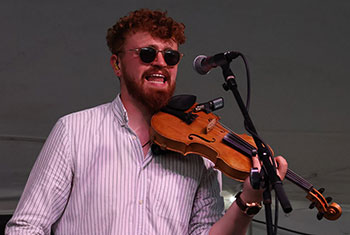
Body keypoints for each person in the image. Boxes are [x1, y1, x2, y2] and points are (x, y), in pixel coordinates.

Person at [6, 9, 287, 235]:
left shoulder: (200, 151)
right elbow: (27, 226)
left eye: (171, 56)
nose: (161, 63)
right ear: (117, 64)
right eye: (147, 54)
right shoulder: (73, 131)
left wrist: (249, 199)